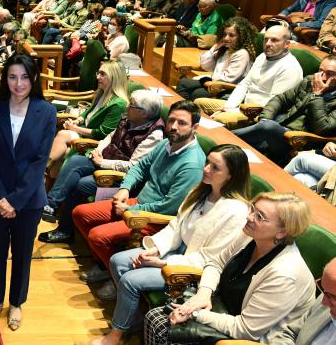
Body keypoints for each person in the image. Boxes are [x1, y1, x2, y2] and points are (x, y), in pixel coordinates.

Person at [92, 144, 251, 345]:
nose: (206, 169)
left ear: (231, 175)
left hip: (196, 270)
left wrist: (163, 263)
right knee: (118, 260)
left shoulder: (236, 211)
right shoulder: (200, 192)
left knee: (130, 280)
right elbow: (176, 226)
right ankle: (134, 319)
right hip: (177, 252)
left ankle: (115, 336)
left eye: (215, 167)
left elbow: (212, 259)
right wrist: (155, 249)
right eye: (207, 162)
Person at [53, 100, 206, 285]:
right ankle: (107, 266)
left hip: (154, 218)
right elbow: (140, 167)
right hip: (137, 203)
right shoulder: (167, 143)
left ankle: (116, 275)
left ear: (194, 128)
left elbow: (169, 207)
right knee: (80, 213)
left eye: (182, 123)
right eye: (171, 120)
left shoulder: (192, 164)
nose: (174, 127)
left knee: (97, 236)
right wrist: (125, 188)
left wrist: (130, 210)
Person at [143, 193, 315, 345]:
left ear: (282, 232)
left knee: (161, 326)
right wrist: (203, 293)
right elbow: (215, 262)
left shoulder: (285, 274)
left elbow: (246, 330)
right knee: (156, 317)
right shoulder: (249, 235)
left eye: (260, 216)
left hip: (254, 337)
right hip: (222, 305)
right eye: (253, 209)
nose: (249, 217)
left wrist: (195, 313)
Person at [0, 54, 55, 331]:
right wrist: (1, 197)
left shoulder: (46, 111)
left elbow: (40, 160)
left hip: (28, 199)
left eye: (24, 77)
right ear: (4, 78)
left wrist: (15, 200)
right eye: (12, 77)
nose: (18, 83)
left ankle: (17, 302)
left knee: (22, 253)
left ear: (34, 78)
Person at [41, 89, 165, 226]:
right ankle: (51, 205)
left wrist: (102, 162)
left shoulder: (154, 135)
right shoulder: (130, 119)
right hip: (104, 160)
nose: (127, 107)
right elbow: (110, 136)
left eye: (132, 105)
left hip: (120, 178)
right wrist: (98, 149)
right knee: (75, 161)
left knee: (81, 184)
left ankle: (65, 229)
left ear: (144, 113)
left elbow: (133, 167)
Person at [232, 54, 336, 165]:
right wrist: (265, 118)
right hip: (280, 129)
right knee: (241, 149)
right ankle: (226, 142)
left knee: (266, 128)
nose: (322, 77)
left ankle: (225, 136)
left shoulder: (317, 88)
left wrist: (317, 95)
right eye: (320, 71)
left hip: (299, 142)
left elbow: (323, 128)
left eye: (330, 73)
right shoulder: (309, 81)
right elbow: (281, 99)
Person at [194, 25, 303, 127]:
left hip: (256, 114)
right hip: (242, 106)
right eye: (266, 39)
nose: (268, 44)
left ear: (286, 44)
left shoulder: (290, 67)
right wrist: (229, 106)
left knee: (220, 119)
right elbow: (244, 84)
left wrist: (234, 111)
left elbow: (273, 104)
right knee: (197, 104)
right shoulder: (262, 57)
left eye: (274, 40)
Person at [45, 61, 129, 174]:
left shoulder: (118, 104)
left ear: (114, 77)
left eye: (103, 74)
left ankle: (41, 168)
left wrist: (74, 128)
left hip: (95, 143)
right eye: (98, 73)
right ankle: (47, 178)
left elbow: (102, 133)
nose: (98, 77)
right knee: (64, 152)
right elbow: (89, 111)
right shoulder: (102, 92)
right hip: (83, 132)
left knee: (63, 134)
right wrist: (77, 120)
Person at [176, 17, 256, 101]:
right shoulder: (225, 49)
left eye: (231, 35)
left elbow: (228, 79)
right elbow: (205, 65)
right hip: (214, 82)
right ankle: (181, 107)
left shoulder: (242, 54)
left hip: (227, 88)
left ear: (241, 37)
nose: (226, 38)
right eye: (224, 35)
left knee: (197, 93)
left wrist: (208, 79)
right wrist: (216, 46)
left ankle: (184, 108)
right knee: (184, 83)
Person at [272, 257, 336, 345]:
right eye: (322, 288)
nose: (323, 302)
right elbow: (291, 333)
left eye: (333, 298)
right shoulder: (327, 296)